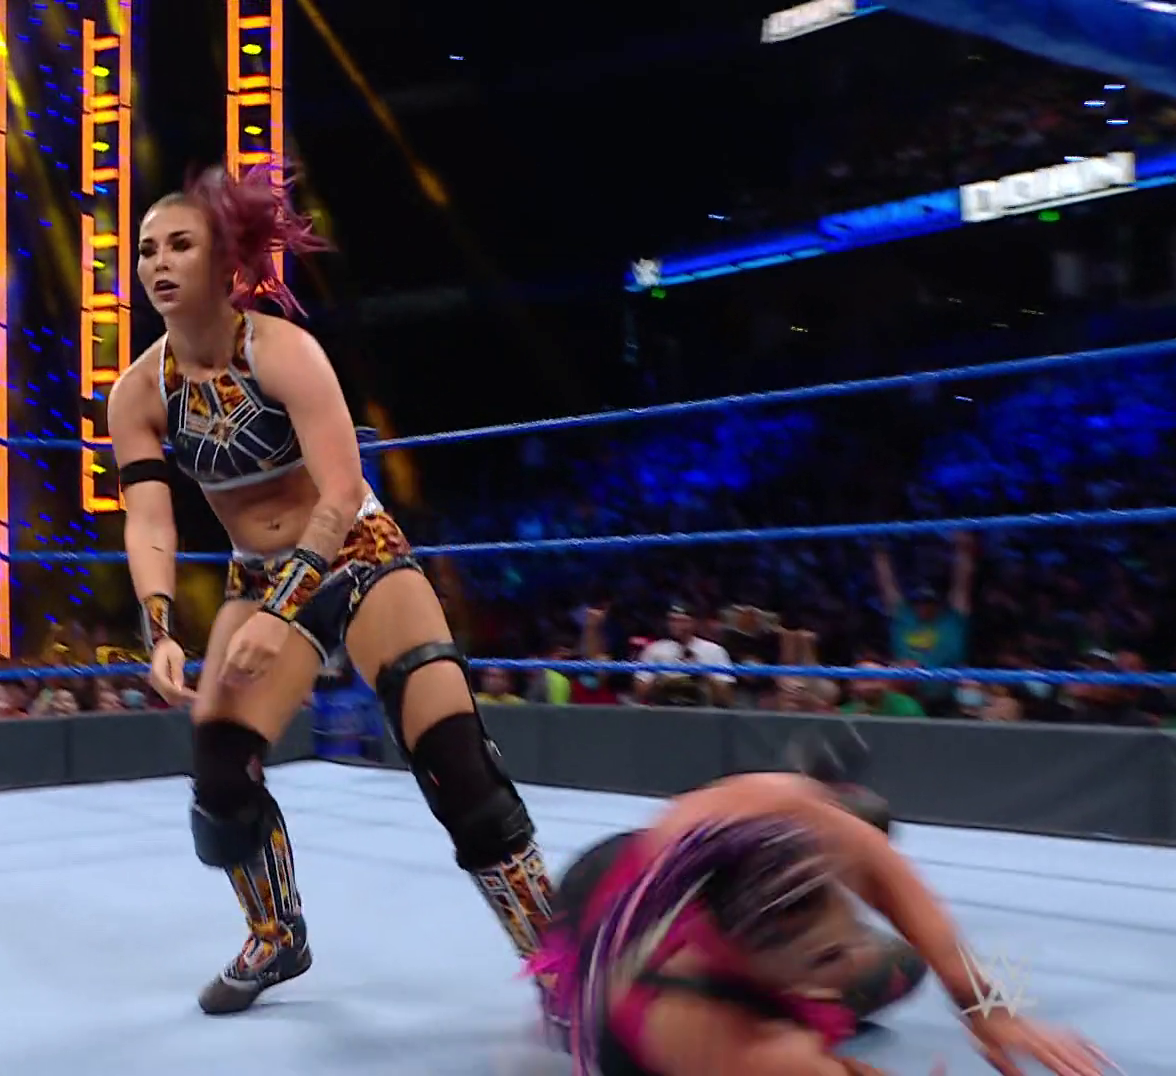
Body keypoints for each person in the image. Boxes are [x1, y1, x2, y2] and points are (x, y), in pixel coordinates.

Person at [107, 161, 557, 1015]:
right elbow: (150, 520)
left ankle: (559, 961)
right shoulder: (137, 393)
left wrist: (281, 614)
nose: (158, 263)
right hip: (256, 570)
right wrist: (159, 628)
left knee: (458, 767)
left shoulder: (284, 351)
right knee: (220, 777)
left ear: (223, 258)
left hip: (359, 553)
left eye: (179, 245)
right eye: (146, 250)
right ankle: (277, 935)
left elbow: (343, 491)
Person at [534, 771, 1112, 1076]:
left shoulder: (761, 810)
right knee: (892, 968)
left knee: (887, 958)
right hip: (611, 933)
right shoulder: (739, 1041)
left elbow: (887, 874)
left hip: (641, 921)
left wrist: (991, 1010)